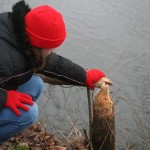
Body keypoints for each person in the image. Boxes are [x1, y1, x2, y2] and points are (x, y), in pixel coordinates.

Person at [0, 0, 111, 144]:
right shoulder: (5, 57)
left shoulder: (20, 33)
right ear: (38, 45)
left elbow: (54, 63)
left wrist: (85, 76)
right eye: (51, 47)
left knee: (35, 84)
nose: (54, 51)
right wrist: (4, 98)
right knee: (28, 113)